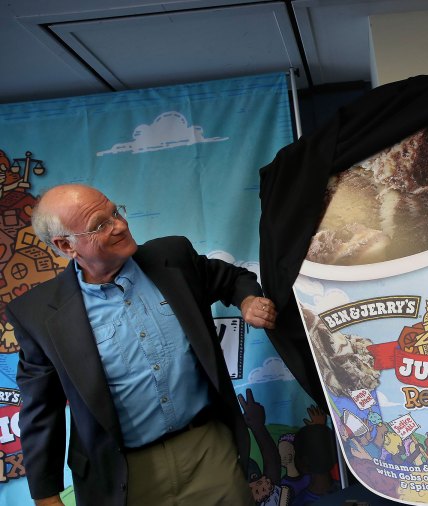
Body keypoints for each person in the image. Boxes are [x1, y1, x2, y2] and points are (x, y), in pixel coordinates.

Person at [6, 184, 278, 506]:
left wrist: (247, 300)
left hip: (207, 449)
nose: (120, 225)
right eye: (100, 225)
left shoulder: (173, 258)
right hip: (121, 472)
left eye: (115, 212)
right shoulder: (38, 315)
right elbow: (41, 409)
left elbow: (229, 277)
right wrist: (46, 493)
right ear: (66, 245)